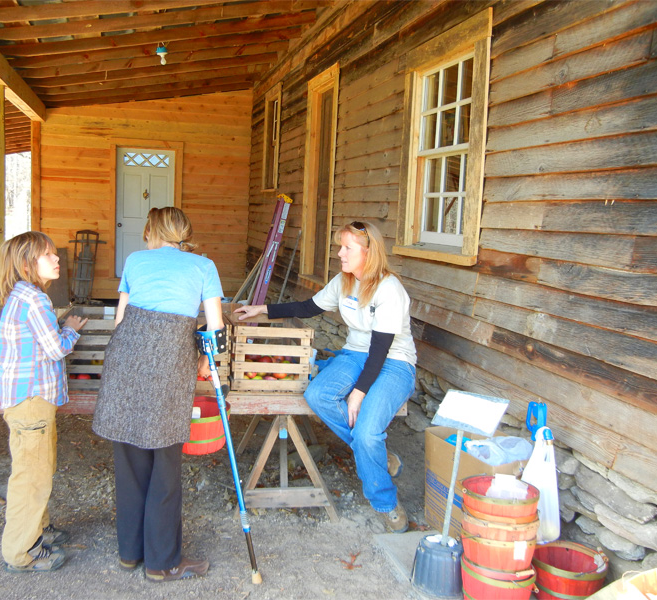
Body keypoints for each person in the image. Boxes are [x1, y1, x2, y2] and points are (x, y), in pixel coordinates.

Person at [234, 221, 416, 533]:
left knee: (368, 431)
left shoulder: (389, 290)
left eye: (347, 248)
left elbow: (381, 349)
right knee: (317, 395)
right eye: (339, 246)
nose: (339, 253)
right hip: (355, 355)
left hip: (394, 362)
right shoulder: (344, 281)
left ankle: (385, 501)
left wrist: (359, 392)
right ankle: (377, 457)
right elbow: (307, 307)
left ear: (368, 251)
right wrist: (262, 308)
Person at [92, 207, 224, 582]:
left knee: (131, 463)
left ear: (151, 231)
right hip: (168, 367)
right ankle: (162, 562)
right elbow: (215, 327)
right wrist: (204, 359)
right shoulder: (203, 266)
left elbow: (120, 320)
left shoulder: (135, 260)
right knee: (164, 467)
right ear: (184, 233)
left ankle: (130, 554)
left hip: (125, 362)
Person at [0, 231, 88, 572]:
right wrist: (72, 329)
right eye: (48, 255)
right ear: (26, 264)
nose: (56, 259)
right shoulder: (34, 300)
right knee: (31, 477)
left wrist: (60, 325)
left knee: (39, 468)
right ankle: (21, 553)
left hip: (30, 401)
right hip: (31, 400)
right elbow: (55, 348)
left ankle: (38, 529)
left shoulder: (24, 296)